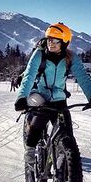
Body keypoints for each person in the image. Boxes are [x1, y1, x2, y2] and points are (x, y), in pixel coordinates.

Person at [15, 22, 91, 165]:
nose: (52, 43)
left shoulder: (71, 58)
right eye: (49, 39)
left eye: (56, 41)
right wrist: (21, 97)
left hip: (59, 99)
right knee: (38, 123)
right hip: (42, 97)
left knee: (68, 134)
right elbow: (29, 75)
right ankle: (30, 150)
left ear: (65, 43)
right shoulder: (39, 54)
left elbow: (83, 78)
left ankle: (64, 162)